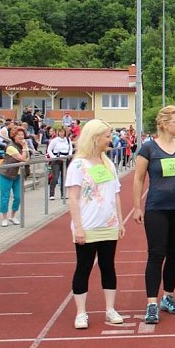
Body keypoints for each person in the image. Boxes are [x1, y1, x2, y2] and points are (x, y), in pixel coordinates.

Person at [133, 105, 175, 325]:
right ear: (163, 124)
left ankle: (168, 296)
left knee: (174, 254)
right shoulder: (149, 149)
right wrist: (137, 207)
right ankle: (151, 303)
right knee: (156, 254)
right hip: (157, 208)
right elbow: (138, 178)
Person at [65, 119, 125, 330]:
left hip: (108, 224)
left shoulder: (108, 163)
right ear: (95, 137)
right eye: (107, 136)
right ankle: (81, 312)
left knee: (108, 266)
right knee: (84, 267)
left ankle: (110, 309)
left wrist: (119, 221)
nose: (110, 139)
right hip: (88, 226)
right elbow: (73, 198)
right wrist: (78, 227)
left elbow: (115, 193)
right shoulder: (78, 165)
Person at [0, 126, 29, 227]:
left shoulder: (23, 146)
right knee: (5, 197)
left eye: (22, 134)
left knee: (18, 196)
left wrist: (25, 149)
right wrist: (25, 148)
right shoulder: (10, 147)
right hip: (6, 174)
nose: (21, 137)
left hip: (18, 174)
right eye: (18, 135)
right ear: (14, 136)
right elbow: (22, 158)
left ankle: (13, 216)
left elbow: (27, 158)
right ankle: (4, 218)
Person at [47, 127, 73, 201]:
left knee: (64, 177)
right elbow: (49, 150)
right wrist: (54, 157)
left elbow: (70, 148)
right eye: (60, 132)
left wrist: (69, 156)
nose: (61, 133)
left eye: (62, 132)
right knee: (55, 177)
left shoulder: (67, 140)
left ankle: (63, 193)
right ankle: (52, 194)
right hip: (57, 160)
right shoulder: (55, 140)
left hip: (65, 159)